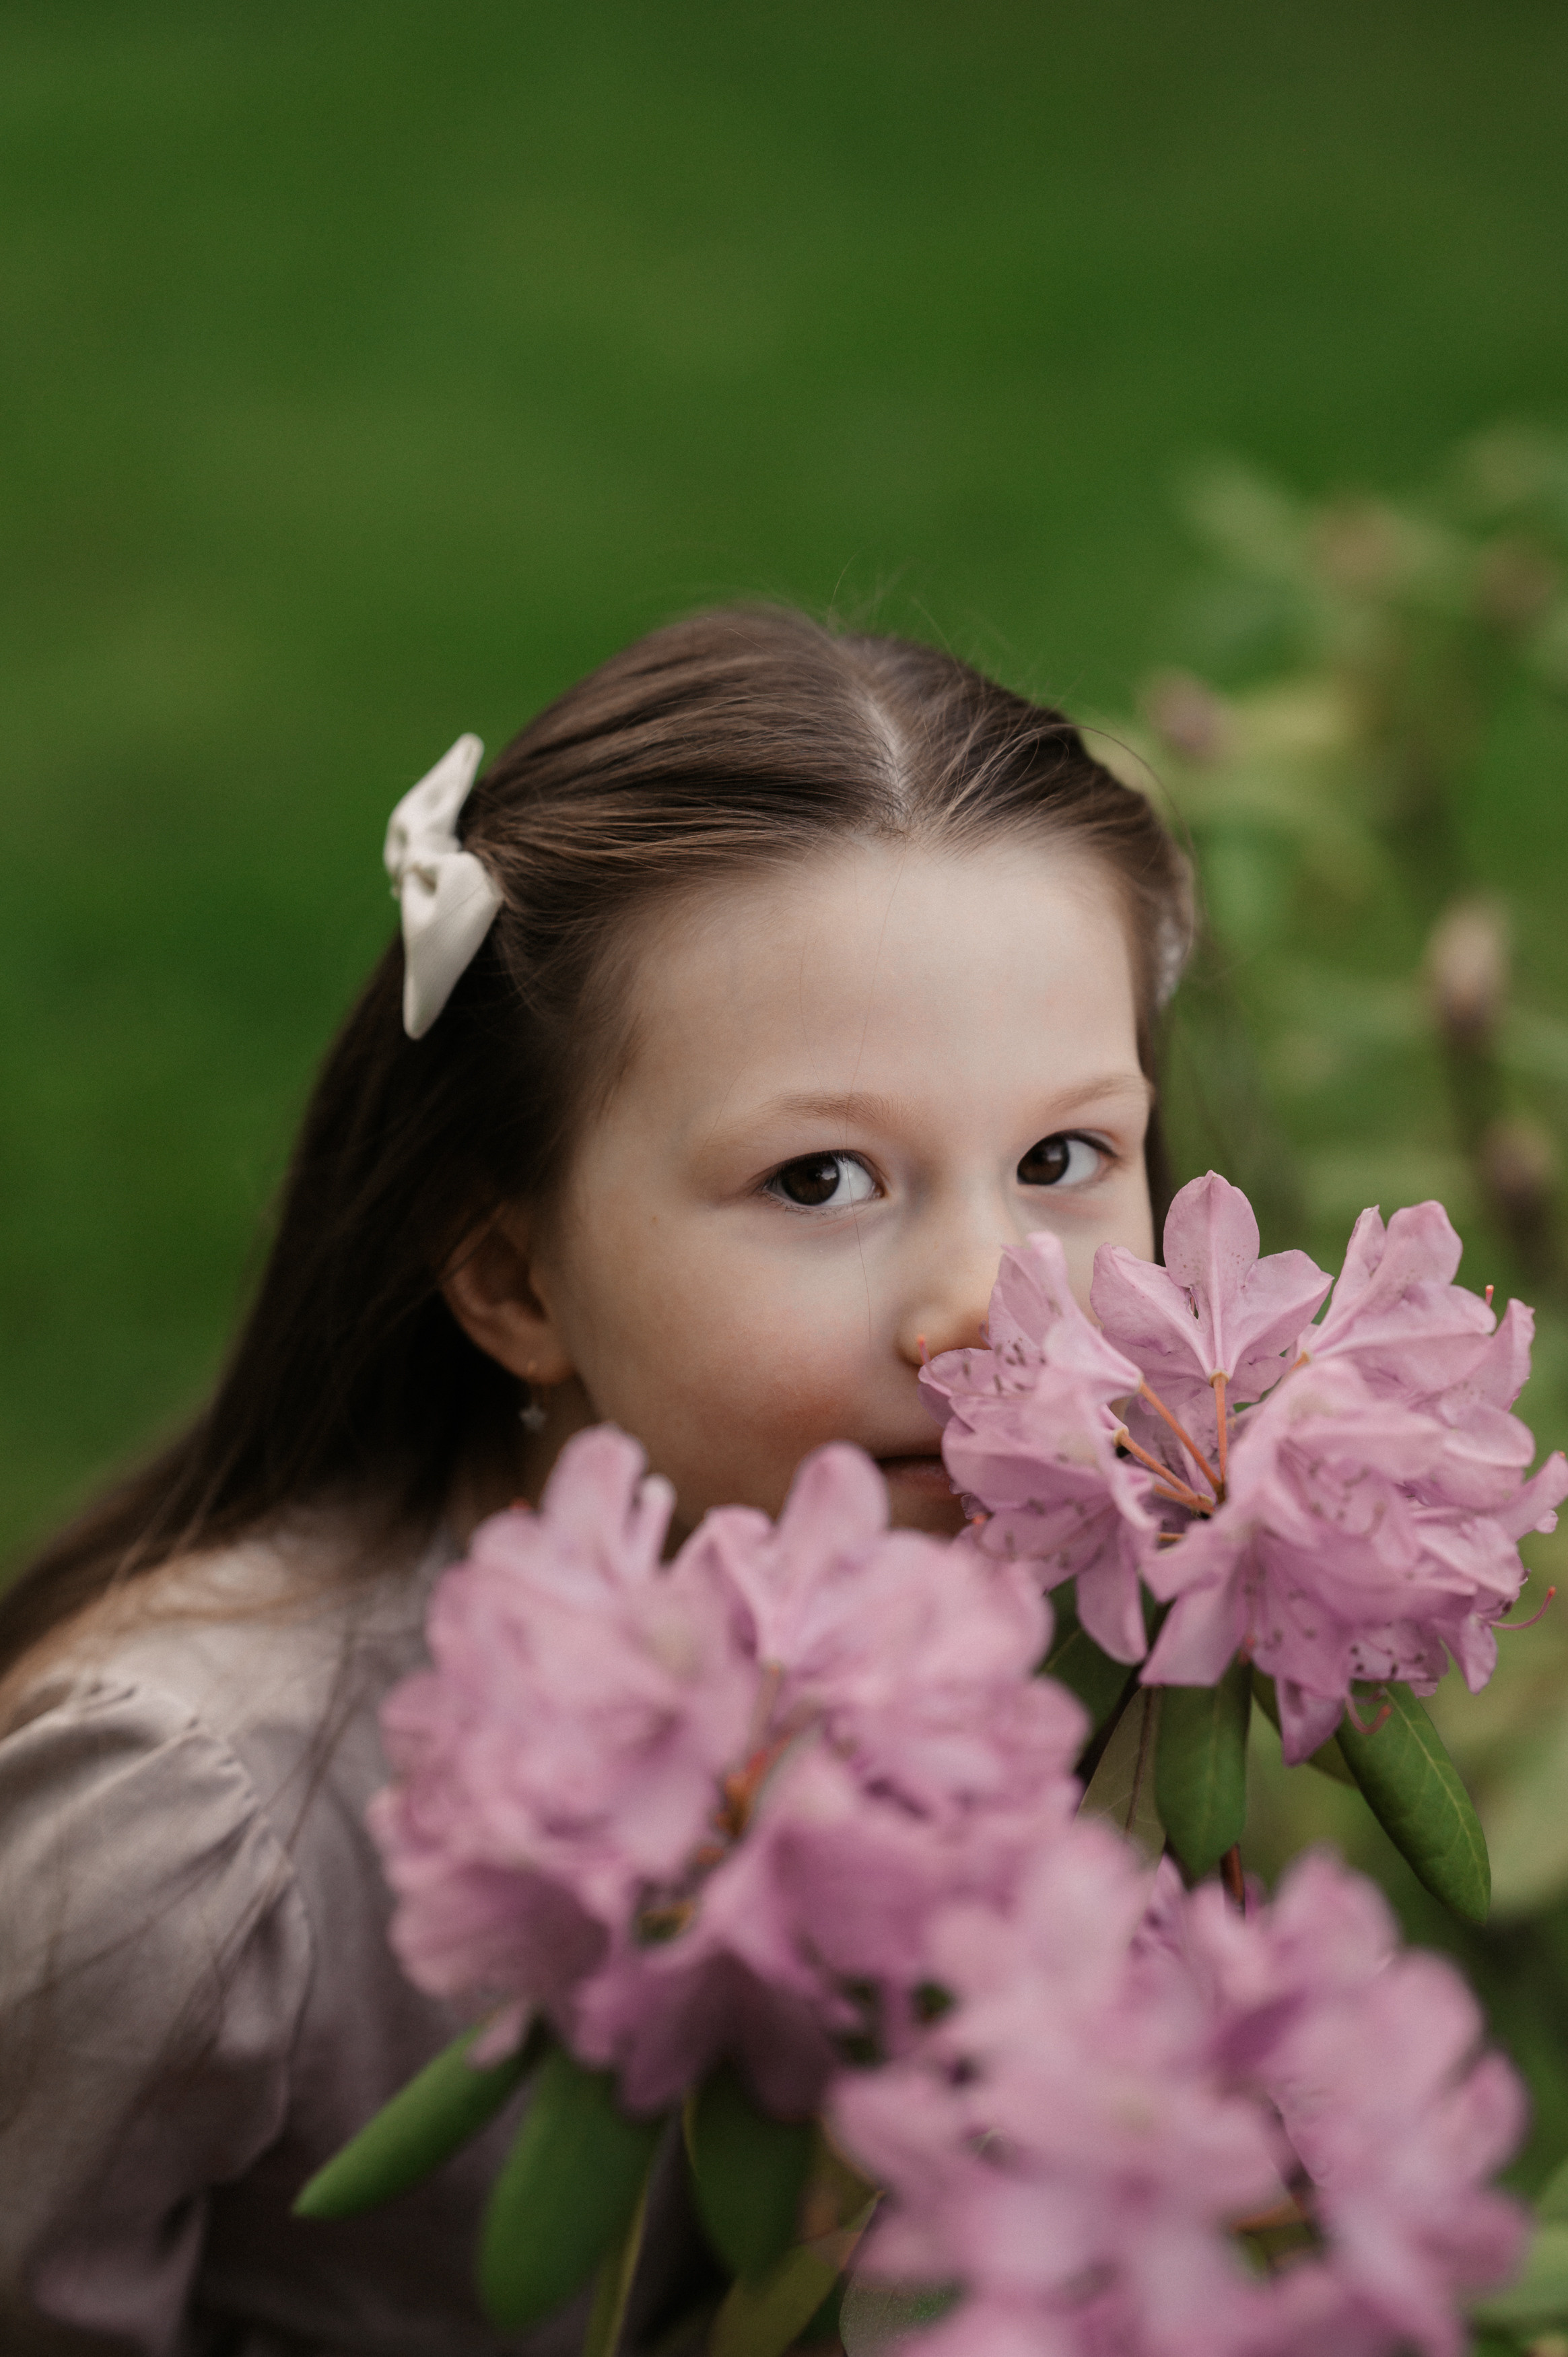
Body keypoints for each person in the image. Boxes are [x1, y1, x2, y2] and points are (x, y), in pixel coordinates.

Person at [0, 608, 1192, 2356]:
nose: (985, 1305)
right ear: (515, 1281)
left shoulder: (1119, 1624)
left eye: (1062, 1155)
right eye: (817, 1179)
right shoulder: (197, 1829)